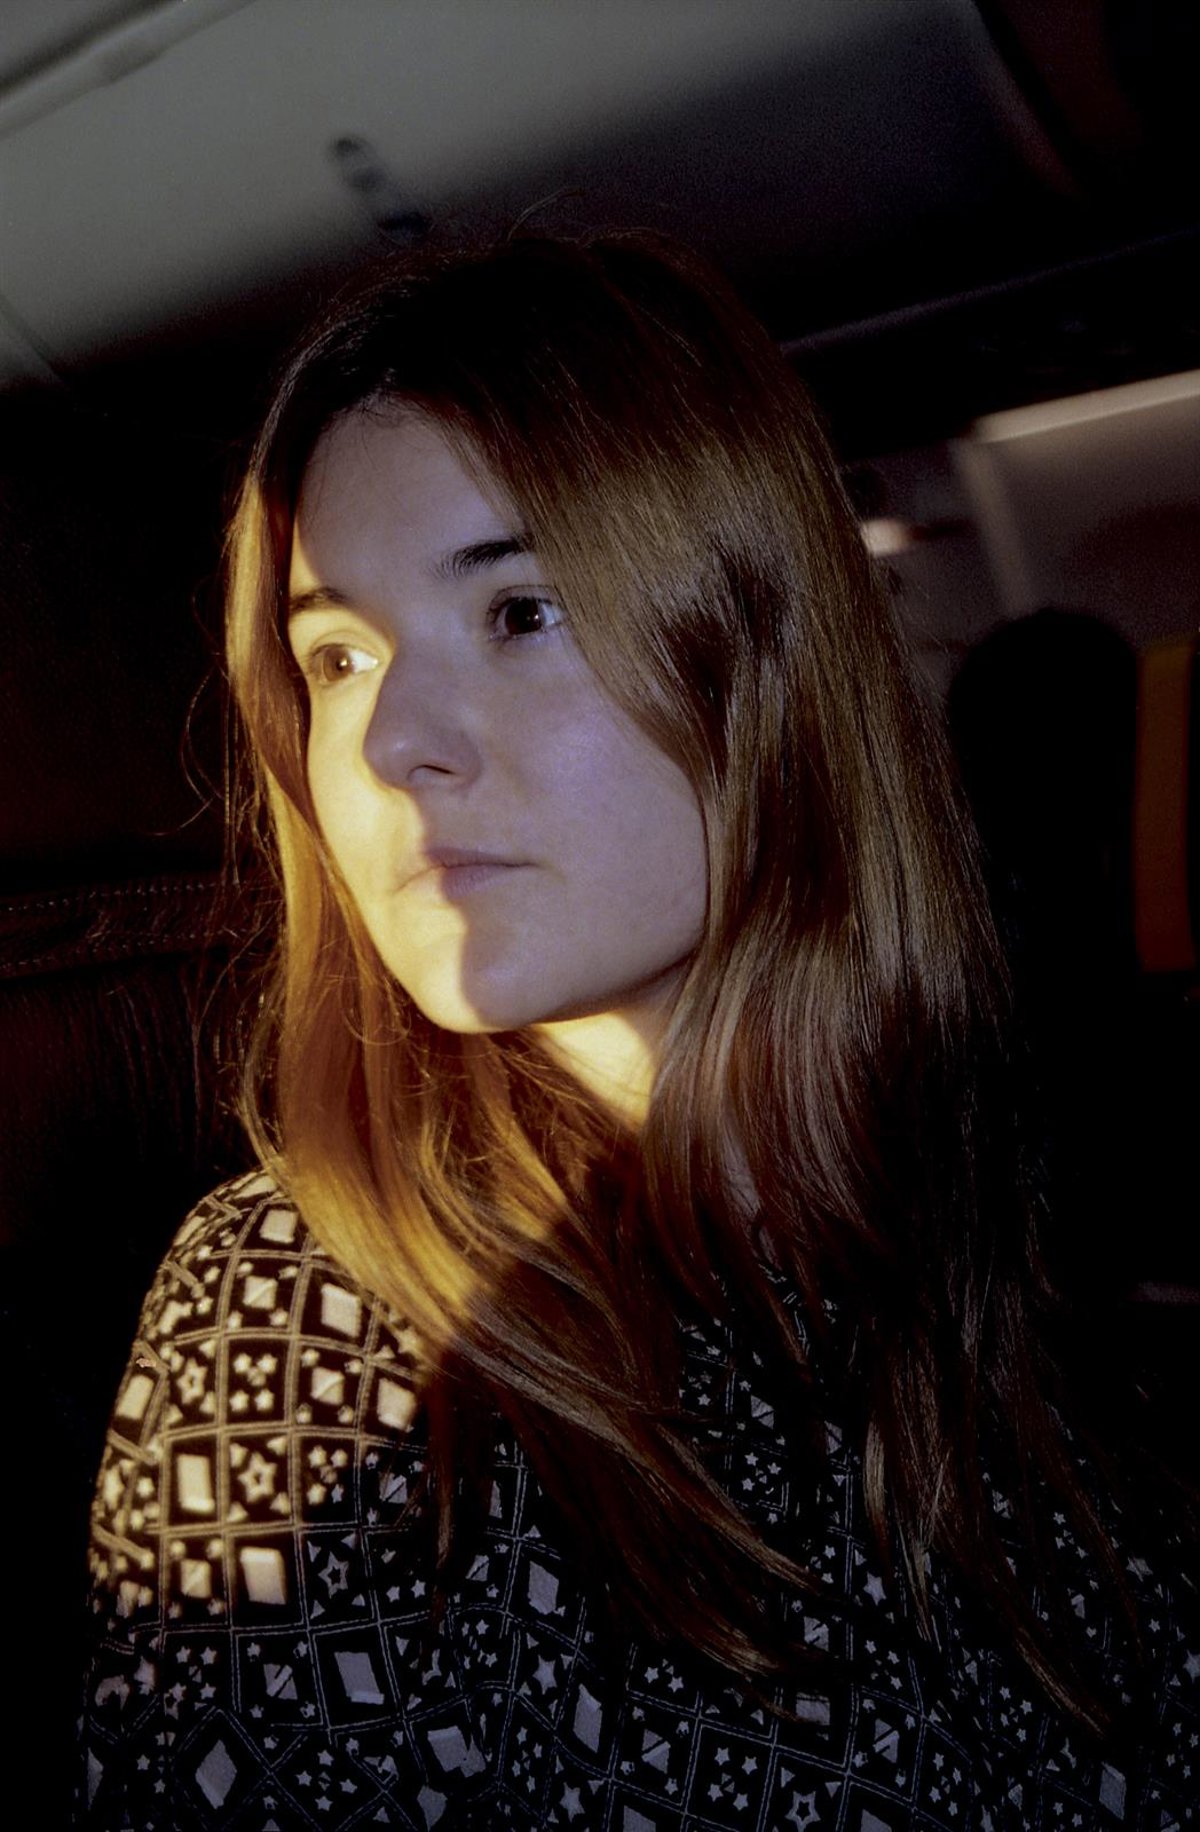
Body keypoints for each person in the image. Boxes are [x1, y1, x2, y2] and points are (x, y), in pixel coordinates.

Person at [77, 233, 1198, 1830]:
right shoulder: (302, 1319)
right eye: (337, 655)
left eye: (520, 610)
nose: (388, 742)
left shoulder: (965, 1200)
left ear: (768, 658)